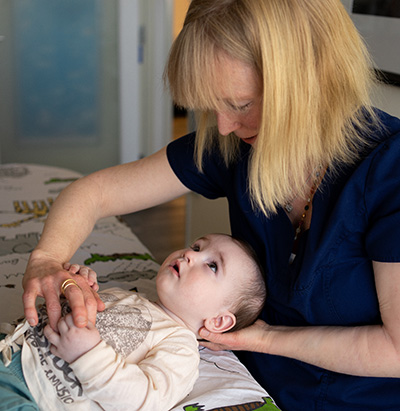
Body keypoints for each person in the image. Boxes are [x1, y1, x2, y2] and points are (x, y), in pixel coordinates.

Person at [20, 0, 400, 409]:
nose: (223, 126)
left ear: (312, 78)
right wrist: (47, 257)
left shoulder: (389, 172)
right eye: (211, 104)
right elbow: (95, 193)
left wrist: (268, 338)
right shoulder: (236, 144)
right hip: (243, 377)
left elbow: (396, 350)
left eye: (241, 105)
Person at [0, 234, 266, 410]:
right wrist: (75, 285)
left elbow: (143, 400)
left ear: (218, 321)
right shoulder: (124, 296)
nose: (190, 255)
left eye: (212, 266)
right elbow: (65, 313)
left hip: (37, 394)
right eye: (196, 246)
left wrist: (88, 355)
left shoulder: (180, 347)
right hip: (11, 351)